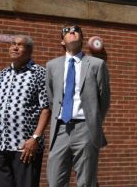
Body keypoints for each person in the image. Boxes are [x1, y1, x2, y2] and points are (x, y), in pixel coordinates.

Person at [46, 24, 111, 187]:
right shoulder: (52, 65)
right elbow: (51, 98)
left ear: (82, 38)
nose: (72, 32)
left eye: (76, 31)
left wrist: (93, 122)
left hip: (85, 128)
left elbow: (104, 99)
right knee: (55, 180)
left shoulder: (96, 64)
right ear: (62, 41)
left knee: (86, 181)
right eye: (67, 32)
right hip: (60, 129)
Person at [0, 35, 51, 187]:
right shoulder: (1, 75)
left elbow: (46, 108)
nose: (15, 47)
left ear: (29, 51)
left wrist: (35, 138)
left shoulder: (40, 73)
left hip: (25, 147)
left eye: (20, 45)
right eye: (13, 44)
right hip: (0, 144)